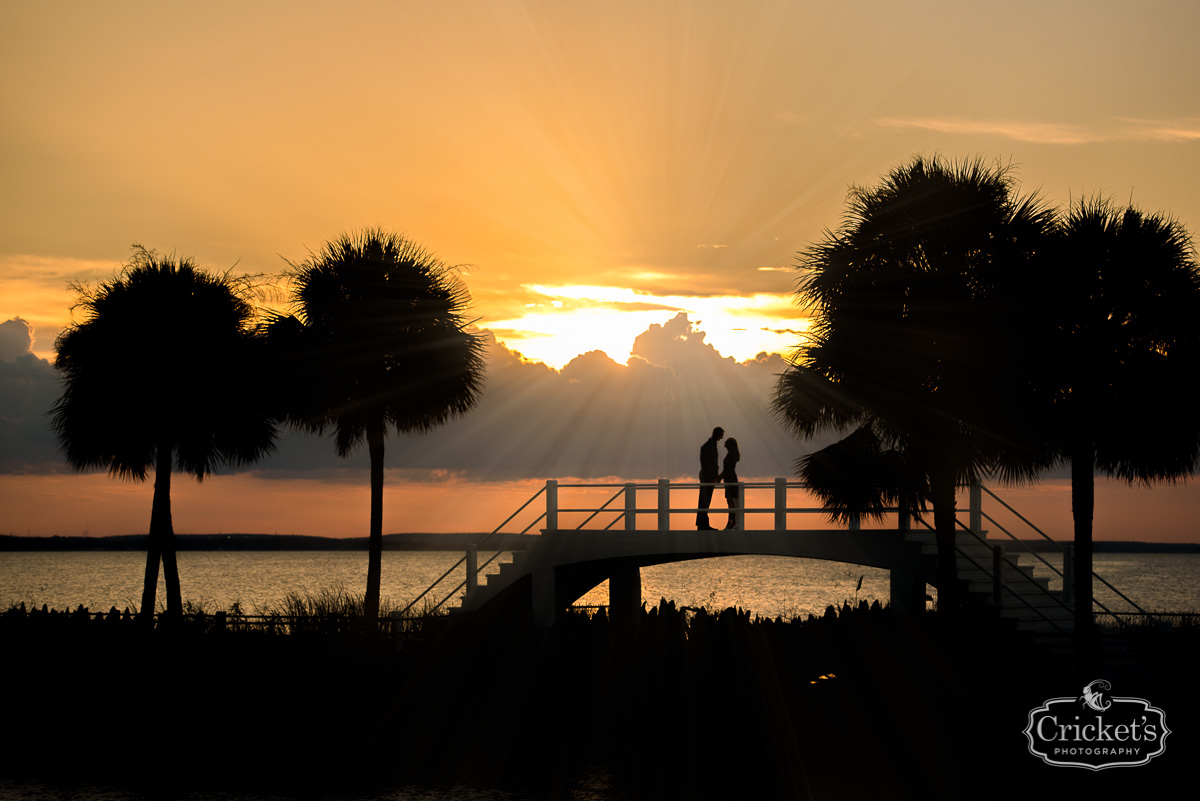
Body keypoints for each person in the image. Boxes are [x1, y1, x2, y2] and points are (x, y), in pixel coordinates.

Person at [697, 426, 724, 530]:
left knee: (704, 500)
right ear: (718, 435)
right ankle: (703, 525)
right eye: (721, 436)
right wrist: (714, 477)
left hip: (706, 475)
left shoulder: (708, 445)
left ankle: (702, 524)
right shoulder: (710, 446)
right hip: (708, 477)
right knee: (705, 500)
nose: (721, 438)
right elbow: (710, 464)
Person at [720, 437, 741, 530]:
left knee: (730, 502)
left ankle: (732, 522)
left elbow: (726, 470)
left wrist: (719, 478)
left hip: (729, 480)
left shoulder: (729, 456)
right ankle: (731, 522)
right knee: (730, 502)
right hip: (731, 478)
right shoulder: (732, 455)